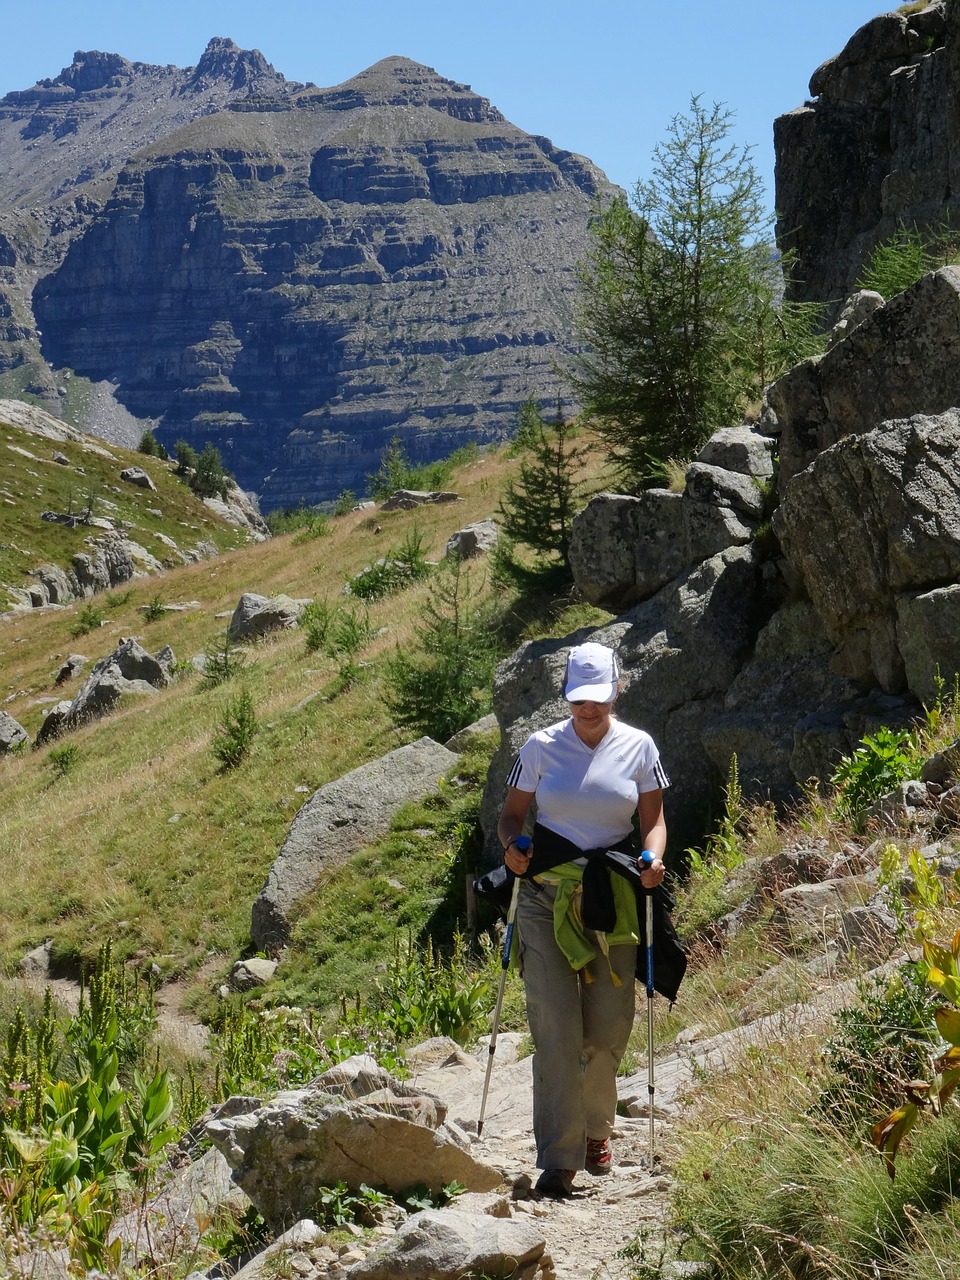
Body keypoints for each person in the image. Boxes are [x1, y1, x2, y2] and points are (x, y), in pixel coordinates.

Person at [496, 641, 669, 1198]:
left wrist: (654, 857)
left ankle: (598, 1131)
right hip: (544, 896)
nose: (587, 710)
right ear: (567, 696)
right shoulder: (540, 746)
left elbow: (654, 821)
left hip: (611, 901)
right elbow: (512, 817)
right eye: (577, 700)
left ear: (617, 689)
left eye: (597, 699)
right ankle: (560, 1156)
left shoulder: (640, 747)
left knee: (607, 1029)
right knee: (555, 1027)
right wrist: (512, 850)